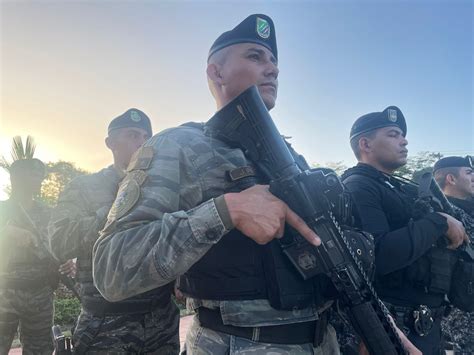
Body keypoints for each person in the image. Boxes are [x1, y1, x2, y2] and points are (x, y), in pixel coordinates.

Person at [94, 15, 421, 355]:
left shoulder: (295, 160)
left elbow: (335, 259)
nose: (273, 69)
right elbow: (111, 267)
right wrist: (226, 211)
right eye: (255, 56)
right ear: (215, 72)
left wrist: (386, 330)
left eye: (275, 61)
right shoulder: (176, 146)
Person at [48, 109, 179, 354]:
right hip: (106, 324)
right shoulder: (84, 188)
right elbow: (59, 242)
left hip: (162, 321)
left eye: (145, 136)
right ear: (110, 143)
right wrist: (112, 212)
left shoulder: (163, 187)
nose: (141, 142)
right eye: (131, 135)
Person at [341, 107, 469, 354]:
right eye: (393, 134)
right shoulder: (358, 186)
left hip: (427, 324)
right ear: (365, 144)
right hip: (392, 325)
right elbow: (378, 255)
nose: (404, 140)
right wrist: (438, 223)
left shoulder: (396, 187)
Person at [0, 137, 74, 354]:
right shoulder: (3, 210)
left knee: (40, 350)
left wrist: (66, 260)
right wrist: (6, 232)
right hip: (5, 291)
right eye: (32, 176)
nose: (38, 180)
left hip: (40, 294)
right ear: (16, 178)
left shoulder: (47, 213)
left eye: (39, 176)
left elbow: (57, 244)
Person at [434, 156, 474, 353]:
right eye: (469, 172)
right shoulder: (444, 213)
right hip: (462, 308)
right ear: (451, 178)